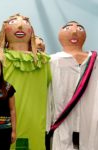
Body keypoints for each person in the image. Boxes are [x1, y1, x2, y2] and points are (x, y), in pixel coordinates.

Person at [0, 14, 51, 150]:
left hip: (36, 121)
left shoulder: (43, 61)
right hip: (5, 121)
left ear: (31, 31)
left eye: (25, 22)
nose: (19, 26)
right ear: (4, 30)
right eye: (13, 22)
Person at [46, 21, 98, 150]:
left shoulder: (95, 60)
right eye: (68, 28)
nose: (74, 32)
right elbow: (46, 94)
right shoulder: (52, 61)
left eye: (80, 28)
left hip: (91, 123)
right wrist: (47, 125)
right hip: (62, 123)